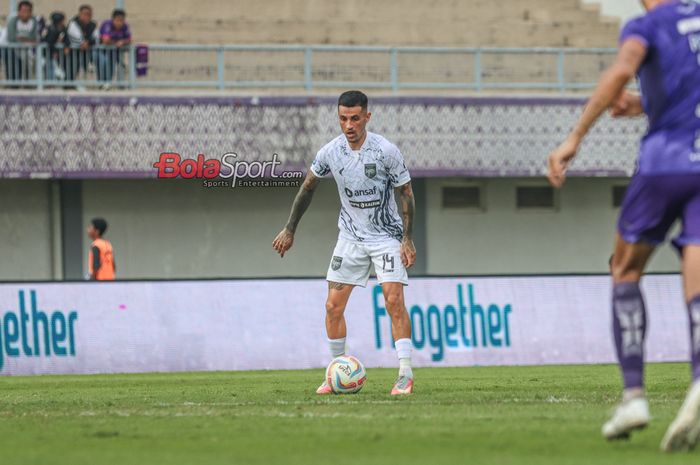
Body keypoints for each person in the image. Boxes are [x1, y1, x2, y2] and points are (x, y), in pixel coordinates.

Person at [547, 0, 700, 451]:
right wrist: (643, 104)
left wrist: (573, 138)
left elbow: (620, 70)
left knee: (625, 267)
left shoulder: (647, 25)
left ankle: (634, 395)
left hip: (663, 164)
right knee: (695, 268)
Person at [273, 90, 417, 396]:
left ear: (367, 117)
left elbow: (406, 194)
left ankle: (405, 373)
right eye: (342, 118)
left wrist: (406, 238)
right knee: (332, 306)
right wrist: (290, 228)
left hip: (385, 237)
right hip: (350, 237)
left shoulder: (385, 151)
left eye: (354, 118)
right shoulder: (330, 152)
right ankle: (337, 370)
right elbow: (307, 188)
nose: (348, 125)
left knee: (393, 301)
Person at [63, 5, 98, 85]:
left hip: (86, 53)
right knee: (71, 69)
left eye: (89, 14)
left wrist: (88, 43)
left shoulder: (93, 25)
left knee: (85, 70)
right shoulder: (73, 23)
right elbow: (73, 36)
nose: (86, 16)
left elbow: (95, 37)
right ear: (80, 14)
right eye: (84, 14)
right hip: (72, 52)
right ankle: (68, 84)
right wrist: (82, 43)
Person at [5, 1, 39, 82]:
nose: (25, 14)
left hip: (28, 51)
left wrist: (22, 39)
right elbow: (12, 38)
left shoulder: (33, 22)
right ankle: (13, 84)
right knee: (15, 67)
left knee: (31, 64)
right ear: (19, 11)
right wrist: (27, 41)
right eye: (23, 11)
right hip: (13, 51)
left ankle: (29, 83)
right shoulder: (13, 21)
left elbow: (35, 38)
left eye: (28, 11)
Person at [97, 9, 131, 87]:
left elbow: (129, 39)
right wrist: (116, 43)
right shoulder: (107, 24)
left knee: (112, 67)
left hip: (114, 53)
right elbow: (105, 40)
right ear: (113, 19)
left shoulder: (125, 26)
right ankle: (101, 83)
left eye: (121, 20)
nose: (119, 23)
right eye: (117, 20)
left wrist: (123, 42)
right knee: (103, 64)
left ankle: (108, 84)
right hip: (101, 51)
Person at [42, 12, 66, 81]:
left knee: (56, 68)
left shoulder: (62, 28)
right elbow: (50, 42)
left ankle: (53, 82)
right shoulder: (51, 29)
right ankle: (49, 83)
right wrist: (55, 51)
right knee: (50, 68)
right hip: (48, 53)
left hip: (56, 54)